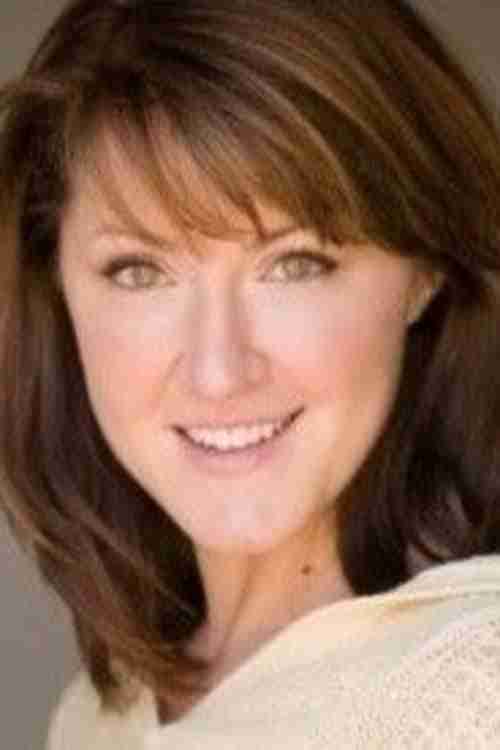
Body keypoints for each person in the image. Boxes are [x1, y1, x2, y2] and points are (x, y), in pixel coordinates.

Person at [1, 0, 500, 746]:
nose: (219, 373)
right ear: (59, 288)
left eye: (296, 264)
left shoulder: (474, 695)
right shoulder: (95, 718)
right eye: (139, 271)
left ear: (423, 271)